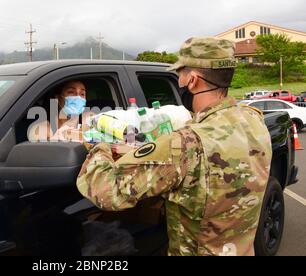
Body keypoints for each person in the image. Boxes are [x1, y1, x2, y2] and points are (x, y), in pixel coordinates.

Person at [76, 37, 272, 256]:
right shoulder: (254, 119)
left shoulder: (186, 143)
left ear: (193, 80)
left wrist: (99, 146)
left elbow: (106, 191)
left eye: (180, 73)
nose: (178, 80)